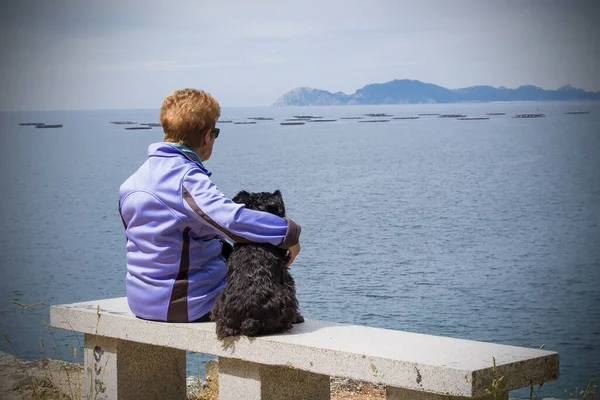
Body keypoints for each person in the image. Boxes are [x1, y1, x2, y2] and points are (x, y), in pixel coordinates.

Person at [119, 88, 301, 323]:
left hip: (140, 301)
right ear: (207, 136)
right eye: (215, 131)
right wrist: (288, 233)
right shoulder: (185, 179)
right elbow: (231, 220)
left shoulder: (131, 183)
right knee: (261, 285)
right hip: (185, 303)